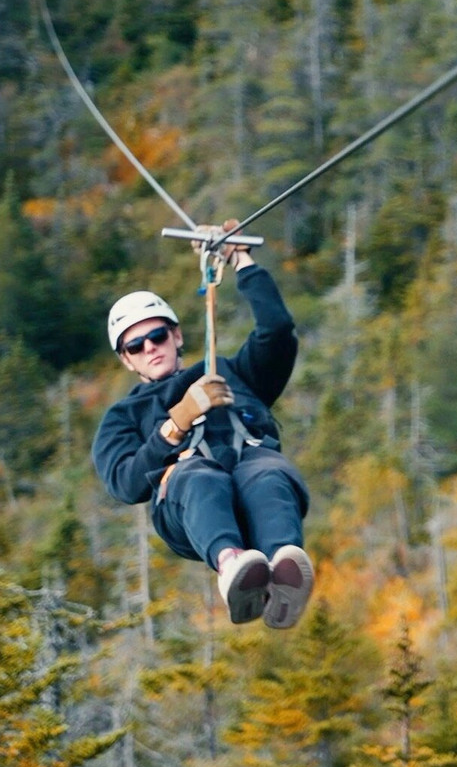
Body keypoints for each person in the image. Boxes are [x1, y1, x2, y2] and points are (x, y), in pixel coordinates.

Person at [92, 220, 314, 628]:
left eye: (157, 336)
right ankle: (233, 567)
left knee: (266, 471)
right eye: (136, 346)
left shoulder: (228, 371)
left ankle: (284, 569)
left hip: (252, 472)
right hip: (190, 503)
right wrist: (174, 425)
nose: (150, 349)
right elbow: (124, 483)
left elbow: (277, 331)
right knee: (196, 475)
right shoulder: (123, 417)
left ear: (176, 336)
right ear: (126, 359)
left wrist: (240, 260)